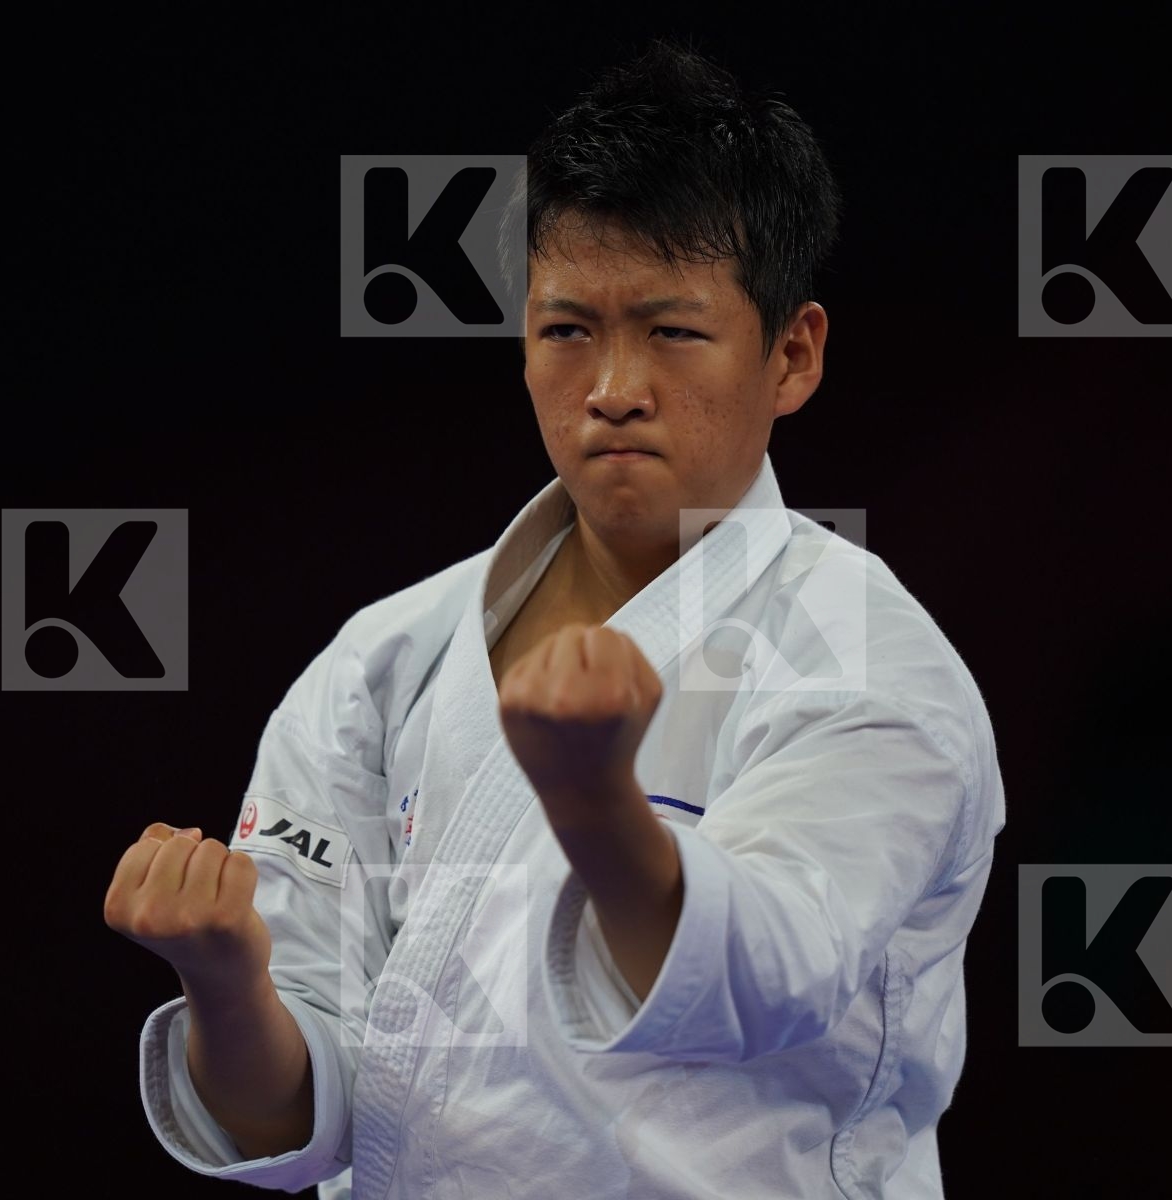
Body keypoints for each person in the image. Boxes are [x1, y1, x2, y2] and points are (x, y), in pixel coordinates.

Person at [105, 37, 1005, 1199]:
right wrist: (221, 979)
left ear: (793, 354)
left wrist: (594, 801)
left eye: (673, 333)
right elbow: (302, 1124)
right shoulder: (387, 659)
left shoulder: (871, 663)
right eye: (568, 329)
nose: (613, 385)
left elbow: (764, 980)